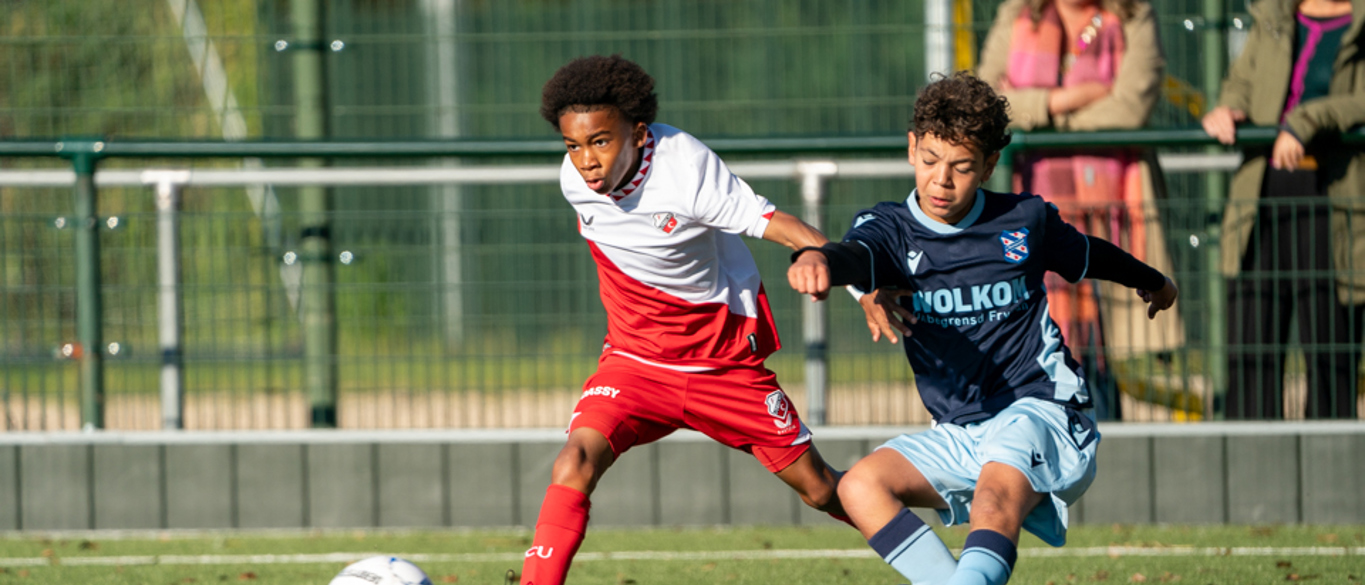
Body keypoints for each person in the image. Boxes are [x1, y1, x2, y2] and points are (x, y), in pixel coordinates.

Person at [788, 72, 1178, 585]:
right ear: (911, 148)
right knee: (860, 487)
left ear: (989, 165)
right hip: (960, 427)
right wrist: (817, 258)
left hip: (1042, 406)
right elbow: (854, 255)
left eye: (961, 166)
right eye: (930, 160)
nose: (941, 180)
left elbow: (1089, 254)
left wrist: (1155, 282)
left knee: (991, 502)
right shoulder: (889, 228)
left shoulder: (1024, 220)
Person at [520, 55, 850, 585]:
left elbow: (784, 226)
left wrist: (862, 284)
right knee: (573, 462)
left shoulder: (686, 170)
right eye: (573, 145)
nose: (586, 161)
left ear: (638, 133)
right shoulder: (574, 181)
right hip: (635, 363)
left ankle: (932, 545)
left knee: (820, 489)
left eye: (600, 141)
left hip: (720, 365)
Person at [978, 0, 1185, 418]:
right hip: (1036, 209)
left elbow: (1130, 108)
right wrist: (1064, 101)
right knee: (1046, 346)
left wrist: (1038, 117)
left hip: (1116, 212)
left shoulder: (1132, 14)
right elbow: (987, 104)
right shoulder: (1017, 13)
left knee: (1106, 350)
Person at [1202, 0, 1364, 420]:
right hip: (1260, 191)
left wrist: (1306, 121)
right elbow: (1241, 81)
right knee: (1251, 345)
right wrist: (1228, 108)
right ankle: (1249, 457)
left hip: (1333, 198)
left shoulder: (1358, 23)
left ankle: (1329, 459)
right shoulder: (1273, 15)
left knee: (1330, 353)